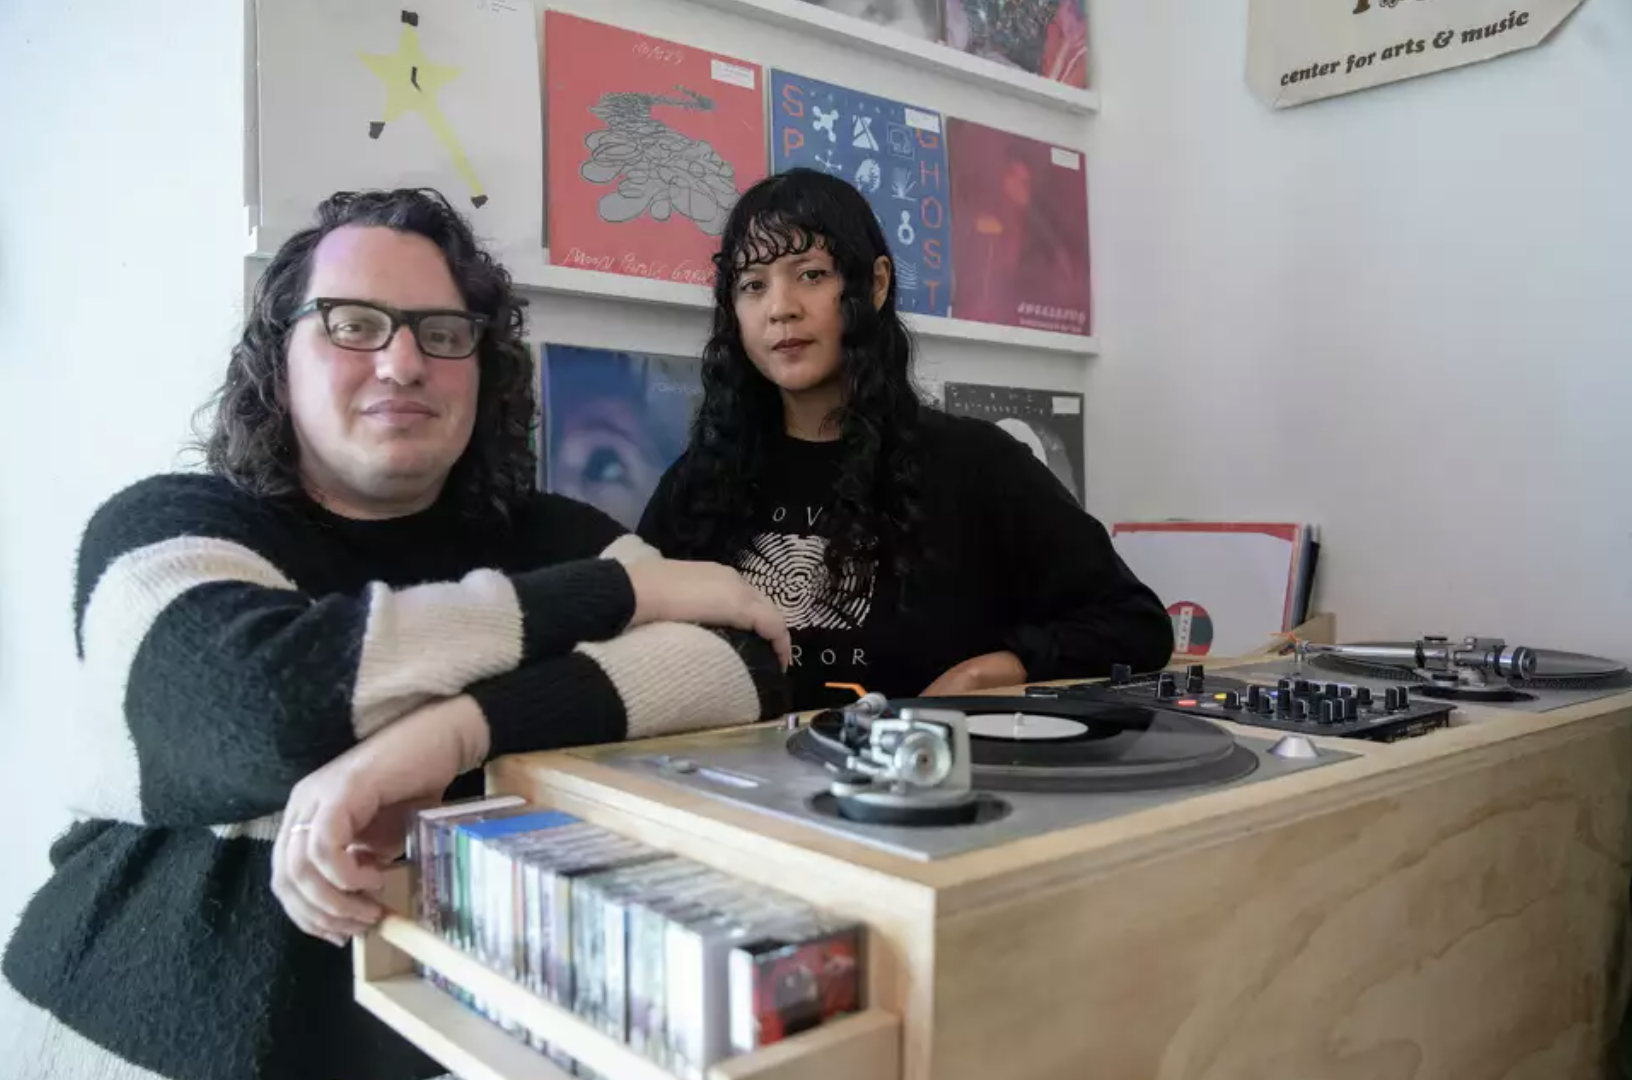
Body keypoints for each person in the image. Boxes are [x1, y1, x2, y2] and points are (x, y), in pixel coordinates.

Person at [0, 187, 791, 1080]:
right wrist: (619, 595)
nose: (404, 361)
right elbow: (266, 708)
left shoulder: (553, 536)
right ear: (277, 359)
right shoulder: (166, 528)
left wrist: (447, 735)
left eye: (443, 333)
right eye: (353, 323)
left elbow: (743, 663)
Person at [638, 168, 1174, 710]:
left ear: (875, 284)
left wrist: (985, 674)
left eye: (811, 275)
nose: (780, 308)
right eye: (753, 284)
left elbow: (1134, 624)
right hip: (731, 790)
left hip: (922, 783)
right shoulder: (701, 481)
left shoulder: (976, 465)